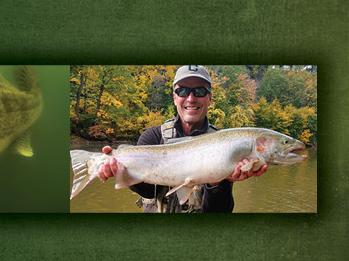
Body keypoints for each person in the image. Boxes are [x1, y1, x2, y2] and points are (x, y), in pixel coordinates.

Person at [94, 65, 267, 213]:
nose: (191, 98)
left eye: (199, 91)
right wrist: (121, 171)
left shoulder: (223, 144)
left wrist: (217, 182)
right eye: (183, 90)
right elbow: (148, 193)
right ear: (175, 97)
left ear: (209, 98)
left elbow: (216, 214)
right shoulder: (153, 137)